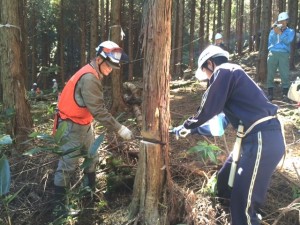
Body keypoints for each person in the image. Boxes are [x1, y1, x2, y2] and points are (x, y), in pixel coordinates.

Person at [172, 45, 285, 225]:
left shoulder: (225, 70)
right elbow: (218, 126)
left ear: (210, 63)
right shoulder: (234, 86)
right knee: (224, 182)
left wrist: (188, 124)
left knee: (243, 205)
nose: (209, 81)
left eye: (207, 75)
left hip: (262, 139)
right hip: (250, 141)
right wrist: (190, 129)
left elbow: (208, 107)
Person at [53, 40, 133, 212]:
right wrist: (119, 128)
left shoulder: (94, 74)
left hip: (84, 124)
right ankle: (59, 210)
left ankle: (89, 196)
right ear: (99, 59)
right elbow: (98, 110)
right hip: (70, 126)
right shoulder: (89, 77)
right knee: (67, 167)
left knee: (92, 158)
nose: (111, 69)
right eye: (109, 65)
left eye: (113, 66)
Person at [267, 12, 295, 102]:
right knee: (271, 73)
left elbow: (288, 41)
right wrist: (276, 32)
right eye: (280, 21)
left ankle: (285, 94)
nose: (282, 23)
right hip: (273, 53)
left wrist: (280, 34)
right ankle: (270, 94)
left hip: (284, 54)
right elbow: (271, 42)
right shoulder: (273, 31)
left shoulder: (290, 31)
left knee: (284, 74)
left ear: (287, 21)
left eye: (284, 21)